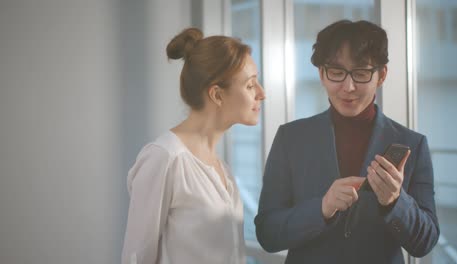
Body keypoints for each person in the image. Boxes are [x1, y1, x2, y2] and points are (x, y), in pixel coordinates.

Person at [254, 20, 439, 264]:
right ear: (322, 74)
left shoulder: (412, 144)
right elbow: (267, 233)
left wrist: (395, 201)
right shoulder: (291, 138)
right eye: (337, 73)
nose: (348, 87)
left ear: (381, 75)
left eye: (361, 73)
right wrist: (322, 208)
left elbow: (425, 242)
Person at [121, 27, 265, 264]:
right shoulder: (165, 158)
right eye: (250, 85)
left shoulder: (223, 170)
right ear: (217, 95)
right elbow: (136, 257)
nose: (262, 93)